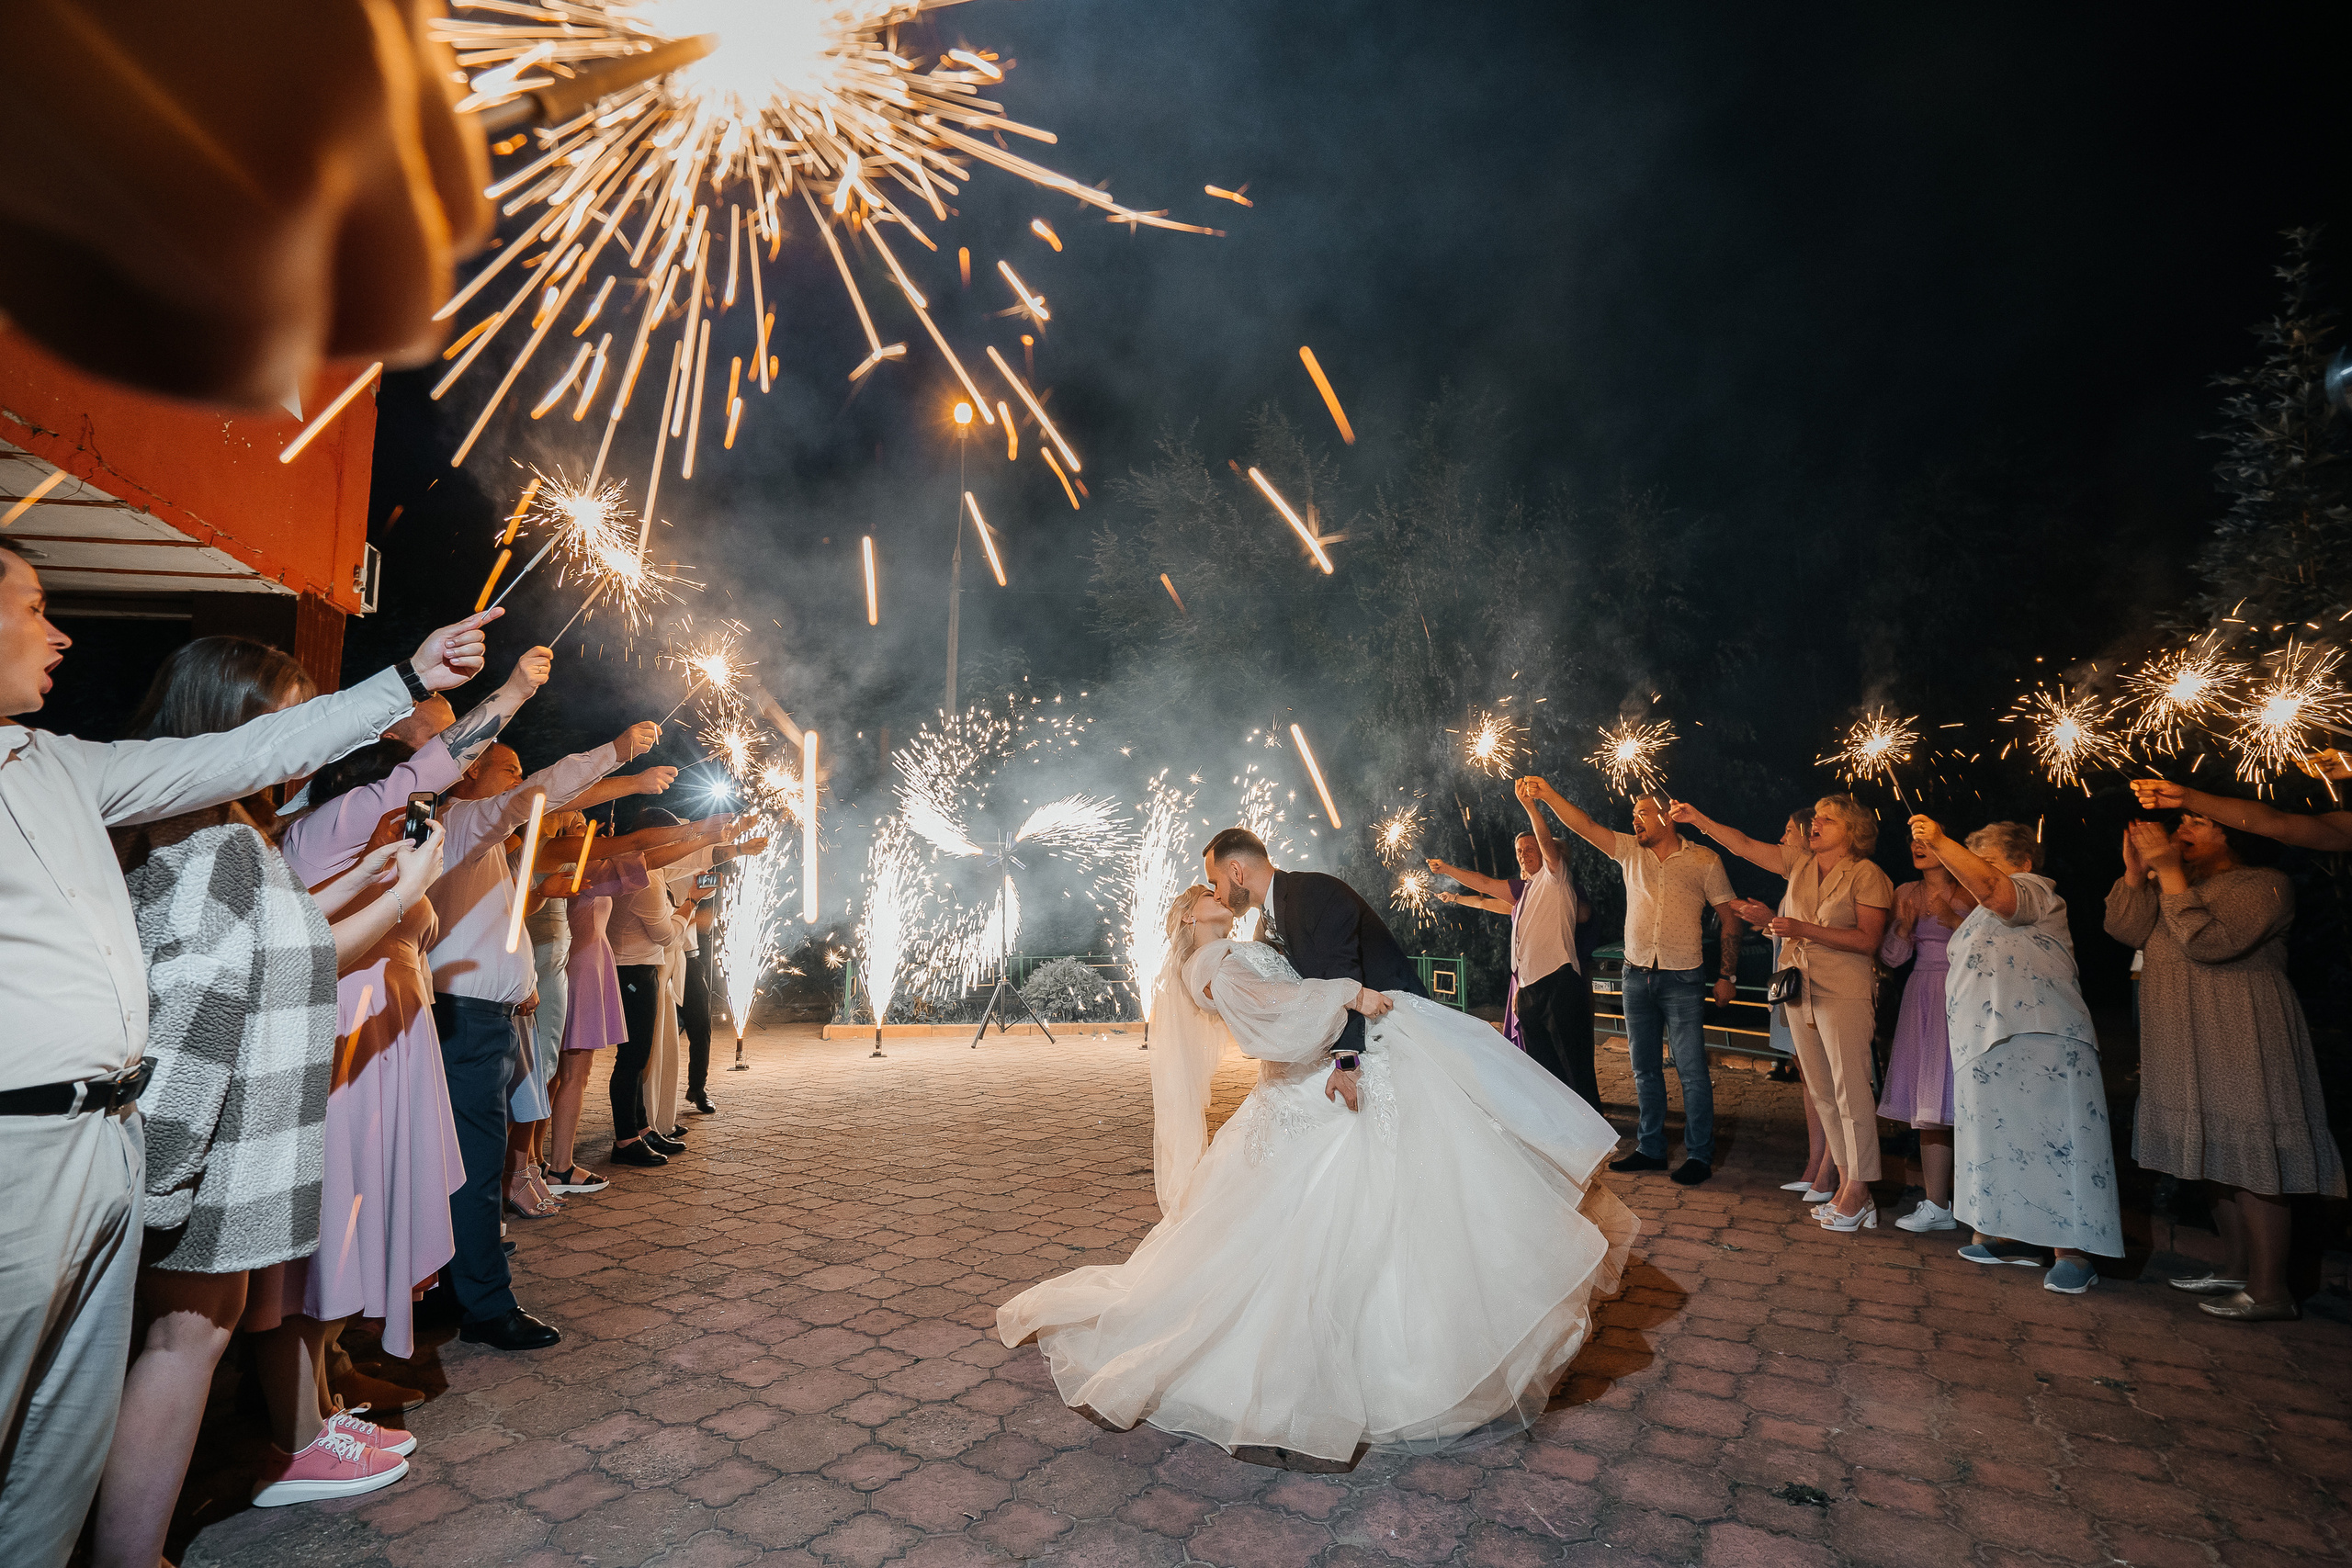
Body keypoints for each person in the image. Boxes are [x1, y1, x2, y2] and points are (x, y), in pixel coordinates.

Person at [0, 532, 493, 1568]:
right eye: (34, 603)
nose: (60, 630)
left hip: (111, 1141)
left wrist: (409, 678)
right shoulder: (193, 835)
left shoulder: (66, 767)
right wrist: (396, 891)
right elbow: (218, 978)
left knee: (59, 1436)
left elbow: (271, 876)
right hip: (42, 1143)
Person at [997, 886, 1637, 1462]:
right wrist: (1345, 994)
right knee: (1327, 1231)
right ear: (1192, 916)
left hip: (1308, 1092)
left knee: (1380, 1212)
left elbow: (1281, 994)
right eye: (1206, 891)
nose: (1220, 892)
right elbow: (1273, 1011)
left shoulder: (1234, 949)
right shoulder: (1211, 963)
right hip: (1304, 1101)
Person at [93, 639, 453, 1561]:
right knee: (183, 1347)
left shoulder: (195, 819)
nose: (307, 739)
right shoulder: (213, 836)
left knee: (183, 1345)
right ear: (229, 721)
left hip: (204, 1135)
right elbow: (244, 988)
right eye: (287, 717)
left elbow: (274, 949)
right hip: (206, 1141)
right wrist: (404, 885)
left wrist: (374, 883)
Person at [421, 725, 663, 1349]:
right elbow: (546, 791)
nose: (520, 779)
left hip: (488, 1017)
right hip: (465, 1016)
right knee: (476, 1168)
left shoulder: (486, 839)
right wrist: (619, 754)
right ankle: (483, 1303)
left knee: (473, 1162)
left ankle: (455, 1285)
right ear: (469, 776)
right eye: (508, 769)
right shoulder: (463, 819)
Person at [2105, 812, 2345, 1321]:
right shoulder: (2181, 882)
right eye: (2183, 821)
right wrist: (2134, 873)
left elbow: (2211, 944)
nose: (2181, 828)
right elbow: (2124, 929)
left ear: (2238, 834)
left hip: (2239, 1028)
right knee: (2218, 1151)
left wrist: (2169, 873)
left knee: (2254, 1157)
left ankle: (2271, 1291)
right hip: (2182, 1027)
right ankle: (2236, 1269)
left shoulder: (2265, 883)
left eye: (2198, 822)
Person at [1914, 818, 2120, 1292]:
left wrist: (1943, 841)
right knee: (2000, 1141)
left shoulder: (2034, 891)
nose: (1975, 871)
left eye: (1987, 861)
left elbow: (1995, 892)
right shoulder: (1980, 912)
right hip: (1987, 1041)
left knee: (2058, 1141)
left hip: (2042, 1036)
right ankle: (2012, 1235)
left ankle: (2073, 1253)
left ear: (2023, 861)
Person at [1669, 795, 1891, 1227]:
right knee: (1823, 1092)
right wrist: (1698, 819)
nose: (1817, 824)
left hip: (1843, 991)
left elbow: (1868, 941)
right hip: (1799, 989)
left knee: (1851, 1091)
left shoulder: (1868, 875)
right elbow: (1743, 844)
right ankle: (1846, 1186)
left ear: (1852, 831)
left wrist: (1801, 928)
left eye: (1828, 820)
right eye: (1817, 818)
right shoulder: (1800, 864)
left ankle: (1861, 1190)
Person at [1520, 782, 1743, 1183]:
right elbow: (1585, 825)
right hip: (1635, 974)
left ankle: (1698, 1155)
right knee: (1643, 1069)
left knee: (1691, 1070)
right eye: (1634, 815)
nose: (1634, 820)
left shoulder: (1704, 860)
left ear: (1666, 816)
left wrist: (1728, 975)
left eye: (1642, 813)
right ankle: (1652, 1148)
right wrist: (1548, 797)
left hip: (1683, 978)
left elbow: (1730, 918)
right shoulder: (1628, 852)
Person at [1201, 828, 1427, 1113]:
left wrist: (1347, 1064)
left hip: (1391, 1028)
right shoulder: (1266, 922)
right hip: (1358, 1034)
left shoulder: (1313, 892)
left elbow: (1342, 973)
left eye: (1215, 882)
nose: (1216, 895)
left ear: (1236, 871)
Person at [1432, 784, 1595, 1109]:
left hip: (1559, 981)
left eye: (1529, 847)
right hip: (1528, 988)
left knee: (1574, 1066)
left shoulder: (1556, 877)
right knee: (1541, 1069)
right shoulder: (1521, 893)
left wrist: (1531, 807)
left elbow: (1547, 843)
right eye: (1519, 850)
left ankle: (1596, 1133)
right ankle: (1558, 1127)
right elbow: (1482, 885)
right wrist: (1447, 870)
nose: (1523, 853)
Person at [1880, 834, 1977, 1232]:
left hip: (1965, 992)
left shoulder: (1971, 888)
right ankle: (1937, 1204)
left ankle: (1977, 1204)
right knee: (1930, 1101)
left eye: (1926, 841)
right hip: (1922, 994)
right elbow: (1891, 957)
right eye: (1913, 842)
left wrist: (1953, 919)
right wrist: (1902, 926)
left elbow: (1989, 943)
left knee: (1965, 1098)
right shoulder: (1906, 891)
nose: (1917, 847)